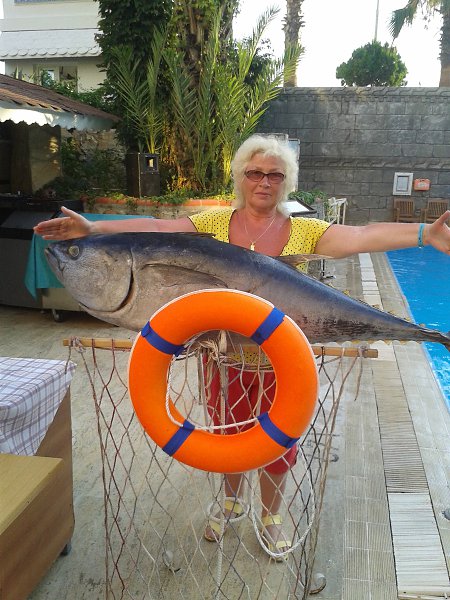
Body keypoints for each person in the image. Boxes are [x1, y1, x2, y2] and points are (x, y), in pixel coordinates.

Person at [34, 135, 450, 560]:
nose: (264, 182)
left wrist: (424, 233)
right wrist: (94, 229)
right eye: (255, 173)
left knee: (278, 444)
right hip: (223, 361)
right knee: (225, 434)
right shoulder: (214, 226)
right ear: (241, 177)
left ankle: (270, 515)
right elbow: (158, 230)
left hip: (282, 367)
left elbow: (361, 235)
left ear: (286, 182)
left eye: (275, 175)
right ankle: (232, 502)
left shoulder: (304, 229)